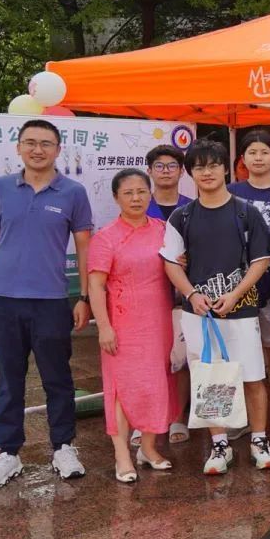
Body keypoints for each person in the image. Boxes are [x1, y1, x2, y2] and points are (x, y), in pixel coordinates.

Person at [0, 119, 93, 489]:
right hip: (3, 300)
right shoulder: (2, 187)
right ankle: (8, 452)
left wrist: (84, 297)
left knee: (58, 378)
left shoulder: (73, 192)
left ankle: (63, 446)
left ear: (58, 149)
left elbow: (85, 246)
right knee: (9, 379)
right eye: (31, 142)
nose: (38, 150)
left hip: (51, 301)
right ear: (19, 147)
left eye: (46, 143)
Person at [161, 139, 270, 475]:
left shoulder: (246, 212)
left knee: (253, 376)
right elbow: (171, 262)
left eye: (213, 165)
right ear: (191, 174)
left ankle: (259, 440)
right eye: (199, 167)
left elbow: (260, 260)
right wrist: (192, 294)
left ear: (226, 168)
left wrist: (236, 294)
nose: (207, 172)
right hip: (199, 313)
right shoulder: (181, 216)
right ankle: (219, 444)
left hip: (241, 310)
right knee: (209, 378)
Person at [88, 169, 176, 483]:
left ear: (150, 194)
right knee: (121, 389)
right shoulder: (106, 237)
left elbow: (177, 266)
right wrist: (104, 326)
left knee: (156, 384)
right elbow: (96, 285)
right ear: (116, 198)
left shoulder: (163, 230)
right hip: (123, 324)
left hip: (159, 321)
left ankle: (148, 448)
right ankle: (122, 454)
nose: (136, 198)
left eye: (141, 191)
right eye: (128, 193)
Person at [228, 131, 270, 438]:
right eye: (252, 152)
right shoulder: (231, 192)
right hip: (236, 285)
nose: (258, 158)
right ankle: (242, 416)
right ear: (243, 158)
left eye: (264, 152)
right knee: (239, 352)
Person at [144, 145, 192, 445]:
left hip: (182, 294)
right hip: (147, 294)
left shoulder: (191, 207)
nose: (165, 171)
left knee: (181, 358)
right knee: (150, 358)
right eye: (159, 166)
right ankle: (148, 419)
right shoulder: (139, 204)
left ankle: (178, 416)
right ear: (149, 170)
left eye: (171, 166)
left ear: (181, 171)